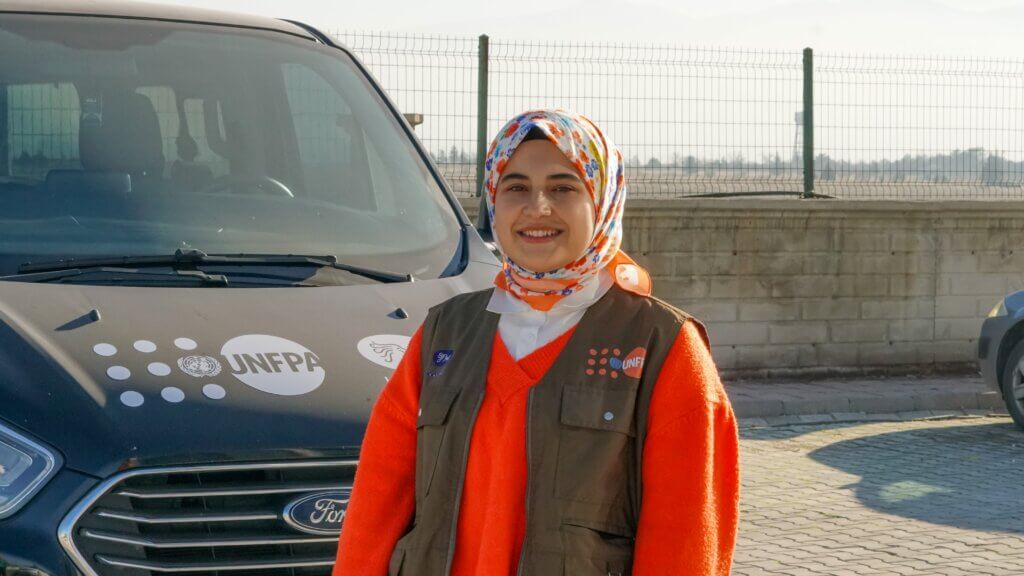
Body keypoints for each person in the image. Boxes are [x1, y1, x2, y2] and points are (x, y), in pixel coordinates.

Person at [334, 109, 740, 575]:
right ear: (493, 199)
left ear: (602, 201)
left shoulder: (662, 347)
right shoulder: (444, 332)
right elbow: (376, 503)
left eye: (564, 187)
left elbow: (684, 539)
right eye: (516, 187)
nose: (537, 207)